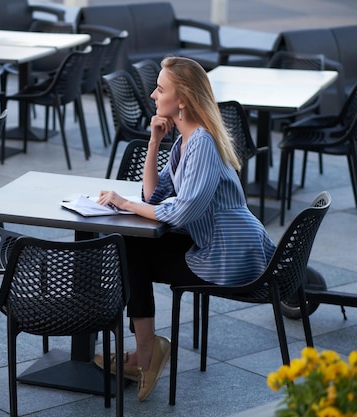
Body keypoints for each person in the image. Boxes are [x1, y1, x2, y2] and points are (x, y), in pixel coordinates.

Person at [94, 56, 276, 402]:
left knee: (132, 250)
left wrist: (125, 203)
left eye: (160, 89)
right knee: (131, 245)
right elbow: (154, 195)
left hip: (230, 257)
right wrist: (154, 142)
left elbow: (181, 211)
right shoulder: (185, 141)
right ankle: (146, 351)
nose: (152, 94)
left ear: (182, 100)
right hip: (220, 246)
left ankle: (145, 354)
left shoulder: (203, 143)